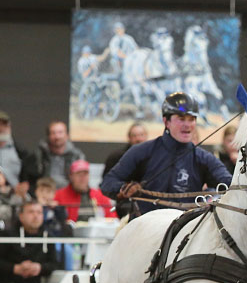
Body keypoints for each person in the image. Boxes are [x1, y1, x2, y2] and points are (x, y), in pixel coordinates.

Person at [100, 92, 232, 217]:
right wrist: (124, 189)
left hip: (185, 232)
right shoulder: (141, 151)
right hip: (145, 227)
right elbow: (108, 183)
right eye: (181, 119)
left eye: (191, 119)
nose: (187, 125)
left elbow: (230, 184)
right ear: (166, 122)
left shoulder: (205, 158)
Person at [0, 201, 63, 283]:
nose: (36, 216)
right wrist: (15, 268)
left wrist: (39, 268)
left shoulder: (48, 237)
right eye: (31, 212)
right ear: (21, 216)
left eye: (39, 212)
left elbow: (54, 264)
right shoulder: (7, 235)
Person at [27, 120, 85, 191]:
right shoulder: (39, 155)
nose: (57, 137)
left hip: (69, 194)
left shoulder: (76, 155)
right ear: (48, 136)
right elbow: (31, 180)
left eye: (60, 132)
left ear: (67, 135)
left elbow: (81, 180)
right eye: (53, 133)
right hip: (44, 193)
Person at [0, 110, 32, 194]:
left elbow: (26, 178)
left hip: (14, 195)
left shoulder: (20, 150)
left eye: (4, 124)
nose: (2, 128)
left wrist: (24, 185)